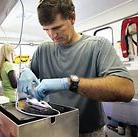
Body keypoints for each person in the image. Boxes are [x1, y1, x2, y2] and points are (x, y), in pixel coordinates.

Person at [18, 0, 135, 136]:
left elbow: (126, 90)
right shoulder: (43, 49)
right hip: (53, 130)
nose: (52, 35)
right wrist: (24, 72)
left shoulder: (97, 46)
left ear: (72, 18)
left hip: (89, 132)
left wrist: (69, 83)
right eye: (46, 29)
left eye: (57, 28)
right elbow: (28, 73)